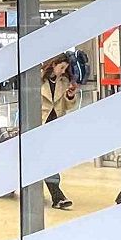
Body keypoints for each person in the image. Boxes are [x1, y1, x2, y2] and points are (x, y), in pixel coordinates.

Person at [40, 55, 77, 209]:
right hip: (39, 126)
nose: (63, 72)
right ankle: (57, 196)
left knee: (50, 161)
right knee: (47, 161)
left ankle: (57, 195)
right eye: (61, 67)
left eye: (65, 69)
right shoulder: (37, 80)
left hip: (55, 126)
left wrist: (70, 95)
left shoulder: (64, 82)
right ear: (53, 64)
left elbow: (68, 106)